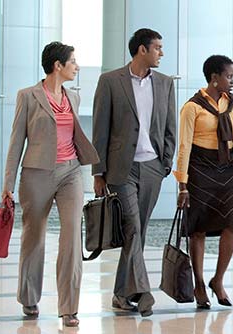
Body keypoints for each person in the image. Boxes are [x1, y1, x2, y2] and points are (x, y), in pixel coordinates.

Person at [2, 41, 98, 327]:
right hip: (36, 174)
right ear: (58, 65)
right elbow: (16, 141)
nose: (77, 66)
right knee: (34, 236)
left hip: (70, 173)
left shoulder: (74, 97)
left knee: (71, 235)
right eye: (73, 61)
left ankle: (69, 307)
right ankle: (29, 297)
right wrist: (7, 183)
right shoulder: (28, 96)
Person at [174, 55, 233, 309]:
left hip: (227, 170)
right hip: (199, 170)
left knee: (232, 225)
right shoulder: (191, 107)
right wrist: (182, 185)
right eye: (228, 76)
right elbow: (183, 147)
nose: (231, 81)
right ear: (214, 78)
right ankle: (198, 284)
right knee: (198, 228)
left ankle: (218, 280)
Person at [92, 28, 176, 317]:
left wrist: (166, 163)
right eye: (158, 48)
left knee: (137, 232)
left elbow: (169, 129)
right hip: (120, 169)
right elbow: (100, 128)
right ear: (142, 49)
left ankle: (119, 294)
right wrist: (98, 171)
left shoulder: (165, 84)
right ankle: (143, 293)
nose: (161, 53)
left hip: (153, 168)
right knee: (133, 228)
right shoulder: (110, 81)